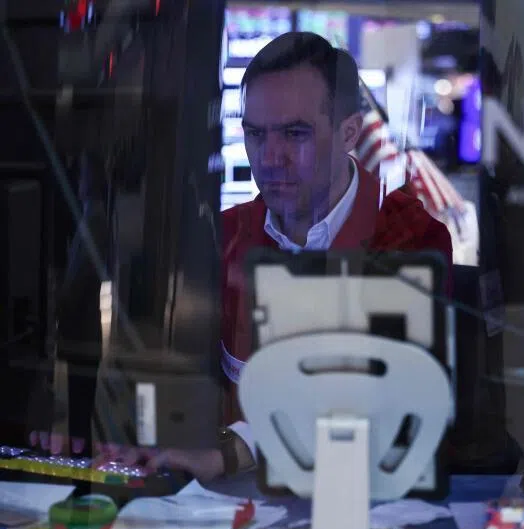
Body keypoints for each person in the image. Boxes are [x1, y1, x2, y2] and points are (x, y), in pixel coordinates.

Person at [97, 32, 453, 482]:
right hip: (235, 502)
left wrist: (228, 449)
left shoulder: (410, 238)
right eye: (255, 134)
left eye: (295, 134)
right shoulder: (223, 236)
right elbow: (165, 370)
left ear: (348, 133)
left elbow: (366, 401)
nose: (270, 157)